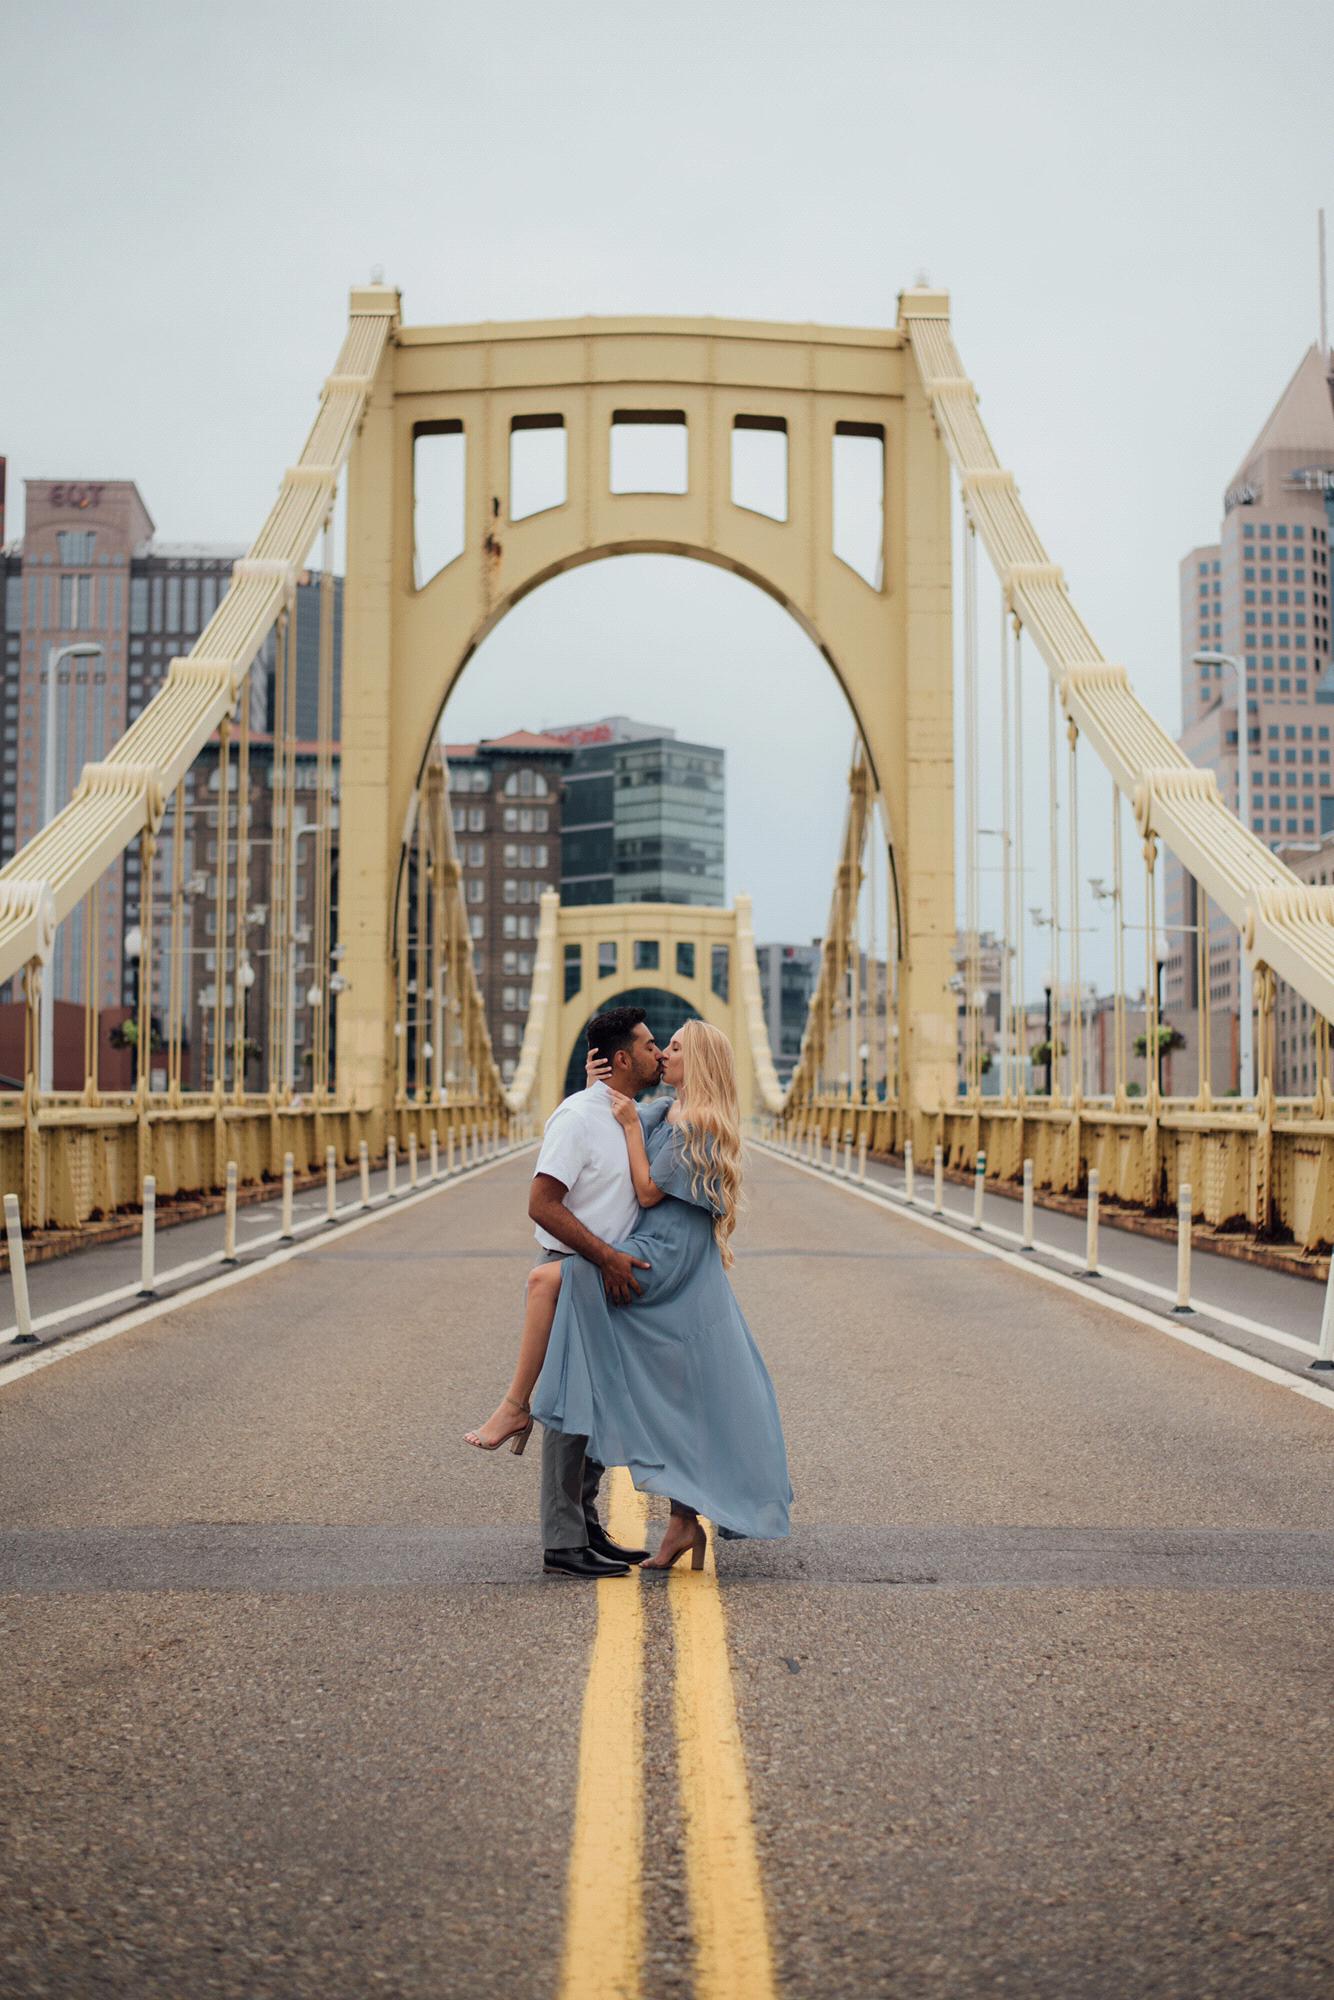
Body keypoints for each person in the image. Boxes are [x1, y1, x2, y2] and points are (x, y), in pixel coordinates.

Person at [531, 1018, 791, 1570]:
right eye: (657, 1045)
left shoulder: (696, 1122)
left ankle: (512, 1410)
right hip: (664, 1253)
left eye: (672, 1047)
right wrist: (598, 1086)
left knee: (548, 1284)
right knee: (673, 1387)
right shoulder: (665, 1112)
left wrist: (626, 1123)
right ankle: (678, 1521)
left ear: (695, 1062)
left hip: (660, 1258)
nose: (662, 1053)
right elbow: (618, 1106)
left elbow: (648, 1190)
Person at [464, 1006, 665, 1580]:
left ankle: (583, 1523)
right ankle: (562, 1541)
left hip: (607, 1276)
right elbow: (541, 1204)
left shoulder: (632, 1115)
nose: (658, 1052)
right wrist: (604, 1257)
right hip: (576, 1267)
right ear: (623, 1058)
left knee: (597, 1407)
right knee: (570, 1407)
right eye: (650, 1046)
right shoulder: (576, 1118)